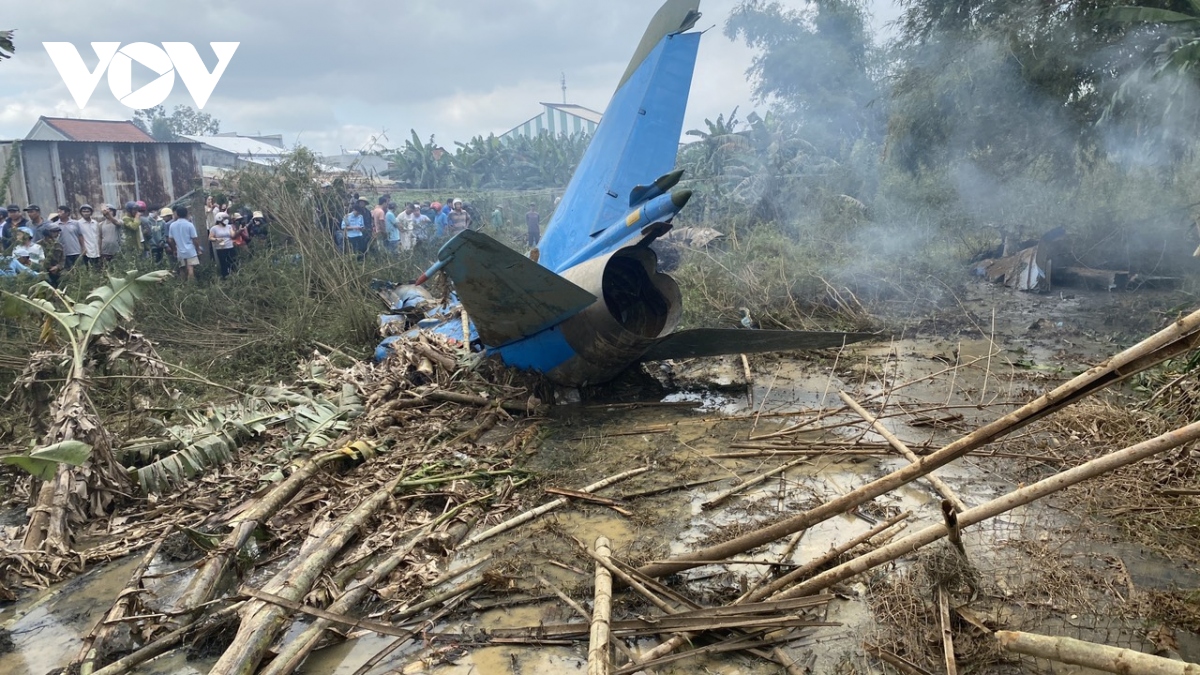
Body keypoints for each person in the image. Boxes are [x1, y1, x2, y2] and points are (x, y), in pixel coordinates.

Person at [169, 205, 201, 281]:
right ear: (186, 214)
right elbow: (195, 239)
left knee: (182, 269)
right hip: (190, 250)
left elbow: (170, 240)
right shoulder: (189, 225)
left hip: (180, 250)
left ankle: (183, 286)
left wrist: (174, 249)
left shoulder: (172, 225)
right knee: (190, 268)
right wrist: (198, 249)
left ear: (176, 214)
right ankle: (191, 286)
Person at [209, 211, 236, 278]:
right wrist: (216, 239)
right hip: (221, 248)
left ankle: (234, 275)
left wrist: (235, 230)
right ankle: (225, 276)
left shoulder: (229, 226)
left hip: (230, 246)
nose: (226, 220)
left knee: (232, 262)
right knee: (223, 263)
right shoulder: (214, 228)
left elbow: (232, 235)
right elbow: (210, 237)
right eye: (224, 218)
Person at [54, 206, 82, 270]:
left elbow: (80, 235)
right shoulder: (55, 225)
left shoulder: (75, 223)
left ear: (67, 213)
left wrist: (83, 248)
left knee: (78, 270)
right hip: (63, 252)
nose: (59, 213)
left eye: (61, 212)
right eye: (58, 212)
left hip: (76, 251)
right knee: (67, 270)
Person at [41, 223, 66, 288]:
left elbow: (62, 260)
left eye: (57, 232)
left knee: (66, 276)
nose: (57, 234)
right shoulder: (39, 245)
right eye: (54, 232)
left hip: (57, 270)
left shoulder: (59, 245)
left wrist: (57, 267)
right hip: (43, 270)